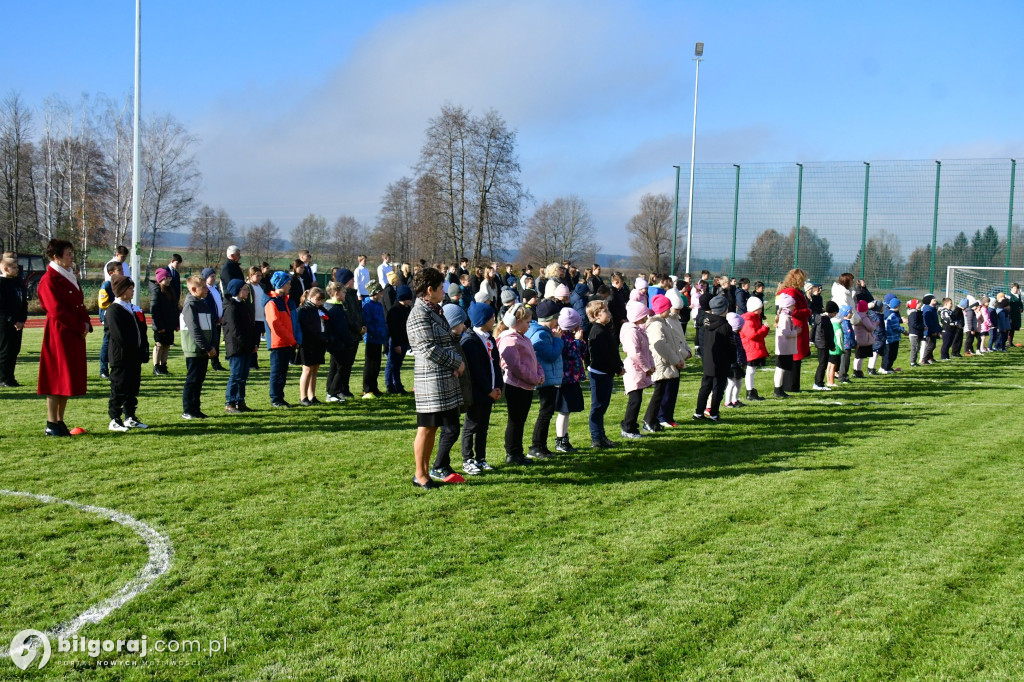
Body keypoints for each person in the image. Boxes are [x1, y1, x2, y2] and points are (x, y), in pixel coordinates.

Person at [408, 267, 467, 489]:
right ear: (429, 290)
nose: (444, 291)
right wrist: (456, 362)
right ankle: (420, 474)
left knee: (433, 428)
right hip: (430, 380)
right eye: (441, 287)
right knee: (426, 427)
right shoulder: (419, 314)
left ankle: (424, 473)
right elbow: (427, 349)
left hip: (442, 379)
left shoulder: (433, 309)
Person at [37, 239, 92, 436]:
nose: (71, 257)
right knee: (55, 379)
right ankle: (51, 422)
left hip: (73, 333)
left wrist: (86, 323)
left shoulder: (69, 276)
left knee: (67, 378)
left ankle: (60, 420)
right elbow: (56, 310)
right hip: (59, 333)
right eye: (67, 254)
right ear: (56, 257)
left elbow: (79, 304)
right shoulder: (49, 279)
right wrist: (79, 326)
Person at [428, 304, 474, 483]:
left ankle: (444, 464)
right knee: (451, 430)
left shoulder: (456, 340)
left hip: (457, 391)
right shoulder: (446, 342)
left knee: (450, 429)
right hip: (447, 392)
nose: (464, 327)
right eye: (461, 323)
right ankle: (438, 465)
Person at [496, 303, 544, 466]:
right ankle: (512, 453)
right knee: (515, 421)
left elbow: (533, 360)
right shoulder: (508, 340)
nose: (529, 325)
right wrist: (534, 378)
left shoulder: (524, 338)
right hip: (515, 387)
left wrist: (540, 373)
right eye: (527, 322)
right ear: (517, 321)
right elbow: (516, 367)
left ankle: (518, 452)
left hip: (527, 386)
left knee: (521, 420)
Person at [458, 301, 503, 474]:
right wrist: (488, 389)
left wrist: (498, 386)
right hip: (478, 392)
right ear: (483, 320)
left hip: (491, 390)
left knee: (483, 426)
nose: (495, 321)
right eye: (492, 318)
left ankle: (481, 458)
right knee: (472, 425)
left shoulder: (489, 338)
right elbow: (476, 371)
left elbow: (495, 365)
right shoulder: (470, 341)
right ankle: (467, 459)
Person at [103, 274, 149, 432]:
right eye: (130, 288)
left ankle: (130, 416)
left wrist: (142, 349)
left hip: (134, 357)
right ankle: (115, 419)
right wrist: (134, 350)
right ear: (121, 290)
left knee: (132, 388)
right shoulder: (114, 310)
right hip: (121, 358)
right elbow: (119, 336)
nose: (132, 291)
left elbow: (141, 331)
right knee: (119, 387)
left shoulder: (132, 308)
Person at [524, 300, 564, 459]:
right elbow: (551, 355)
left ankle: (542, 446)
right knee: (545, 413)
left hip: (547, 378)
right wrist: (558, 339)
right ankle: (536, 446)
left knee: (546, 413)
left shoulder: (541, 332)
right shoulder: (541, 334)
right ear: (552, 318)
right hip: (546, 380)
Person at [179, 274, 216, 420]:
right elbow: (194, 330)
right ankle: (188, 409)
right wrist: (207, 347)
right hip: (194, 350)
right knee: (193, 380)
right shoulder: (190, 305)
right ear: (194, 289)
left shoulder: (203, 303)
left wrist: (212, 344)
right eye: (204, 287)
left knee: (199, 380)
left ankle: (196, 409)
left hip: (204, 349)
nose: (207, 290)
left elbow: (211, 326)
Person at [585, 300, 622, 448]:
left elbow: (613, 351)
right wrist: (616, 368)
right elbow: (603, 356)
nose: (609, 313)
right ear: (596, 315)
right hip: (599, 373)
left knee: (603, 406)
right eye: (605, 311)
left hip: (606, 373)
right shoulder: (597, 331)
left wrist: (619, 364)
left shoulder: (605, 329)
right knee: (598, 407)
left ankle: (601, 436)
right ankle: (596, 438)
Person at [645, 294, 683, 429]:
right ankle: (656, 418)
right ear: (662, 310)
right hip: (663, 363)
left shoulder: (664, 322)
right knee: (661, 393)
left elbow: (672, 343)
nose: (670, 310)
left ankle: (665, 417)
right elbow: (660, 345)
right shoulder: (656, 325)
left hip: (670, 363)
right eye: (668, 308)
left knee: (669, 392)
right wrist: (675, 360)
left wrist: (679, 357)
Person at [553, 307, 587, 452]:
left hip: (572, 378)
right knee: (564, 410)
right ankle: (561, 440)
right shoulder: (562, 337)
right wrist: (578, 341)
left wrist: (580, 341)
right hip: (566, 379)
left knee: (567, 411)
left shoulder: (568, 335)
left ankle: (564, 438)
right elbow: (570, 351)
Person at [619, 300, 655, 438]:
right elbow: (635, 353)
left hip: (640, 368)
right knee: (634, 400)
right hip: (634, 369)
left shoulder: (639, 331)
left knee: (637, 399)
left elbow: (647, 350)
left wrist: (650, 365)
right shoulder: (631, 332)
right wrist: (646, 367)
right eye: (644, 315)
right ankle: (628, 427)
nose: (646, 318)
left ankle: (632, 426)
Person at [658, 288, 692, 425]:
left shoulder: (676, 320)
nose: (677, 312)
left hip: (679, 357)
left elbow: (681, 338)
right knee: (666, 390)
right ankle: (662, 417)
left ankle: (669, 416)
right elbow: (670, 343)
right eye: (675, 309)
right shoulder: (666, 322)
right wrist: (683, 354)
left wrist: (687, 350)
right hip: (671, 359)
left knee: (673, 391)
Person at [328, 268, 364, 400]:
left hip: (355, 334)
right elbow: (348, 316)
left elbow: (357, 313)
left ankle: (344, 387)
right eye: (351, 279)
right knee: (338, 365)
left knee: (348, 364)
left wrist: (362, 325)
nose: (354, 281)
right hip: (347, 335)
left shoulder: (353, 294)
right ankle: (335, 389)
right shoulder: (344, 296)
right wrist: (357, 329)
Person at [693, 295, 730, 421]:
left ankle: (698, 412)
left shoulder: (706, 321)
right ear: (725, 309)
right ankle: (713, 413)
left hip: (708, 358)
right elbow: (730, 346)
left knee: (706, 386)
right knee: (718, 388)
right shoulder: (725, 326)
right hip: (721, 360)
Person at [223, 278, 257, 413]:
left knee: (243, 376)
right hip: (236, 348)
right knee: (236, 375)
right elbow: (235, 331)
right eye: (244, 289)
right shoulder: (231, 307)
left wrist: (253, 343)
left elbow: (250, 326)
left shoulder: (243, 305)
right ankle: (230, 402)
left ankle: (240, 401)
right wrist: (247, 344)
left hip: (246, 347)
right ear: (237, 291)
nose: (247, 292)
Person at [265, 271, 298, 408]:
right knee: (277, 372)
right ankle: (275, 399)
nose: (290, 286)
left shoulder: (285, 301)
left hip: (287, 342)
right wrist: (292, 340)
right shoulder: (272, 303)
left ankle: (280, 397)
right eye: (288, 283)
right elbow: (276, 325)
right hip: (278, 343)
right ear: (281, 284)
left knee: (283, 372)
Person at [777, 269, 811, 392]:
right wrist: (807, 311)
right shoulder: (791, 292)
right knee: (795, 356)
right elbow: (793, 311)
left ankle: (793, 385)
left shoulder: (793, 291)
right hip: (796, 326)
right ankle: (791, 385)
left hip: (797, 325)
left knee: (795, 356)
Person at [323, 281, 355, 402]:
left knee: (334, 367)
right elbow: (341, 329)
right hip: (338, 343)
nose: (345, 294)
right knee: (342, 367)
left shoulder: (334, 306)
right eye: (343, 292)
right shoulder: (334, 309)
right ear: (336, 293)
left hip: (335, 343)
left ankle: (330, 391)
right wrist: (349, 342)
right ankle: (332, 393)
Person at [297, 287, 329, 406]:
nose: (320, 302)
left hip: (319, 343)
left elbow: (328, 319)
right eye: (318, 300)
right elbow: (304, 327)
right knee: (307, 370)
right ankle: (303, 397)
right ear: (310, 297)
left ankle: (312, 396)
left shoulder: (320, 309)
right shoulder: (303, 310)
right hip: (307, 343)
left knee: (315, 370)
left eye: (322, 300)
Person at [0, 254, 28, 387]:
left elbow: (23, 303)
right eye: (14, 267)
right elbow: (2, 307)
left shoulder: (18, 283)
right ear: (5, 268)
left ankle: (10, 377)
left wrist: (22, 320)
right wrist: (13, 320)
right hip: (5, 324)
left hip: (18, 323)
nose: (17, 270)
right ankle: (3, 378)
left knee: (14, 350)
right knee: (5, 350)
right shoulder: (1, 284)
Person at [148, 267, 178, 376]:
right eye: (166, 278)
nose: (169, 280)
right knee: (159, 345)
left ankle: (163, 366)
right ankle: (156, 367)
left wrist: (176, 323)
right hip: (160, 324)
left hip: (169, 324)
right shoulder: (157, 291)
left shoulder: (170, 290)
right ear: (160, 279)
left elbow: (174, 308)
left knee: (167, 345)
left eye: (170, 278)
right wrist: (159, 326)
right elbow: (154, 310)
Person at [98, 260, 124, 379]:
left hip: (117, 316)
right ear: (111, 272)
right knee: (107, 342)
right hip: (108, 317)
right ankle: (103, 369)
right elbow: (102, 303)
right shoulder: (107, 285)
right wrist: (115, 306)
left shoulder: (119, 284)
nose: (122, 272)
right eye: (119, 270)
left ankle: (116, 367)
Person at [385, 285, 413, 394]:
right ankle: (390, 385)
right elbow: (393, 330)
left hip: (404, 340)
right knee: (392, 364)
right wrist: (396, 344)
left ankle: (398, 385)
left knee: (398, 364)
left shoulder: (407, 309)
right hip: (397, 341)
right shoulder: (394, 311)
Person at [739, 296, 768, 401]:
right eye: (760, 308)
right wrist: (764, 328)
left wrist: (764, 329)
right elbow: (753, 335)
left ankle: (751, 390)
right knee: (750, 370)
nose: (761, 310)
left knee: (752, 370)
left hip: (753, 347)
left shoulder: (754, 318)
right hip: (750, 349)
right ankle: (749, 391)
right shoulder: (748, 319)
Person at [361, 280, 387, 398]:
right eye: (380, 292)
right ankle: (367, 388)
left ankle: (374, 386)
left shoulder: (378, 305)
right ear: (374, 292)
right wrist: (373, 332)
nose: (381, 294)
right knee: (370, 364)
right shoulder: (367, 305)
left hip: (379, 337)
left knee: (376, 364)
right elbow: (367, 322)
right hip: (371, 337)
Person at [773, 293, 800, 398]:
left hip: (785, 348)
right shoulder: (785, 317)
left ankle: (779, 389)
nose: (794, 307)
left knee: (781, 369)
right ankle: (778, 390)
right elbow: (786, 333)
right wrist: (796, 331)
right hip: (783, 348)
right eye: (792, 305)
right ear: (788, 306)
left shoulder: (786, 316)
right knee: (780, 369)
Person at [202, 268, 227, 372]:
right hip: (211, 321)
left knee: (216, 343)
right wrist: (216, 318)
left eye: (214, 276)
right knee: (211, 343)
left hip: (218, 321)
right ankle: (211, 363)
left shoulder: (215, 288)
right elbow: (207, 306)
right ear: (205, 278)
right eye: (211, 276)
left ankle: (216, 363)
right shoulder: (205, 289)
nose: (213, 278)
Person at [722, 312, 748, 408]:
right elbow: (736, 351)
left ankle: (735, 400)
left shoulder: (737, 336)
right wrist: (740, 361)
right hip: (733, 364)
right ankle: (727, 401)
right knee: (732, 382)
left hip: (738, 363)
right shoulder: (732, 337)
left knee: (739, 382)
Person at [812, 301, 839, 390]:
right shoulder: (826, 320)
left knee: (822, 363)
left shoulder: (819, 318)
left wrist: (812, 339)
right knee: (823, 364)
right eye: (835, 313)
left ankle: (818, 382)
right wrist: (832, 345)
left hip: (819, 342)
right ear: (831, 312)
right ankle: (818, 383)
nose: (835, 315)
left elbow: (813, 329)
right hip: (824, 344)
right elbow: (828, 335)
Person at [246, 266, 266, 369]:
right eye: (257, 275)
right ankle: (251, 363)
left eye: (260, 275)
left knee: (257, 341)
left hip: (261, 318)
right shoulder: (248, 287)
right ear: (250, 275)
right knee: (252, 340)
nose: (259, 278)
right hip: (252, 319)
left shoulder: (261, 286)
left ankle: (254, 362)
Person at [851, 300, 877, 378]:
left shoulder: (856, 316)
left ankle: (855, 370)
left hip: (857, 338)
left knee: (857, 356)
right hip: (863, 339)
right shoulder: (864, 317)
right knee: (860, 357)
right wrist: (875, 324)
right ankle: (858, 371)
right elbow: (870, 328)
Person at [881, 299, 906, 373]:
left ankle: (885, 367)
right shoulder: (893, 315)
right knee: (891, 354)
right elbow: (896, 327)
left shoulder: (887, 313)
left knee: (887, 354)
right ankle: (886, 368)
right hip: (892, 338)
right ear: (897, 306)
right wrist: (904, 331)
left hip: (888, 338)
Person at [920, 294, 941, 364]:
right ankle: (924, 359)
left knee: (932, 344)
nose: (935, 300)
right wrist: (932, 331)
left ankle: (930, 358)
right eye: (933, 299)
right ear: (929, 301)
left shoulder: (932, 309)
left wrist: (939, 329)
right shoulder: (927, 309)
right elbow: (928, 323)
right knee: (931, 345)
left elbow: (936, 321)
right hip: (929, 331)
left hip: (933, 330)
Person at [907, 298, 923, 366]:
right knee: (914, 348)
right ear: (914, 305)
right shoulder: (913, 314)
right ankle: (912, 362)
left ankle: (914, 361)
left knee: (917, 347)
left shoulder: (917, 313)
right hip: (914, 333)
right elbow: (913, 324)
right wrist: (922, 327)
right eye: (918, 303)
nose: (920, 304)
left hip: (917, 333)